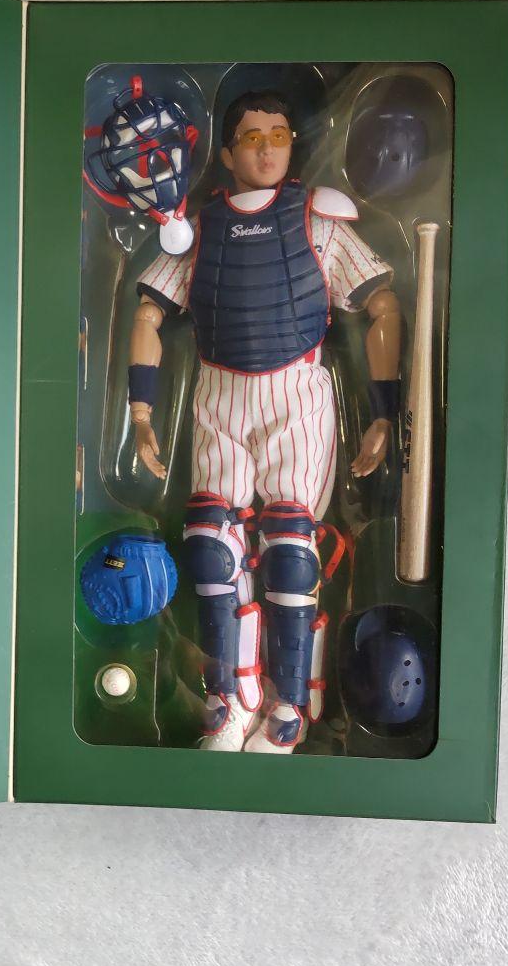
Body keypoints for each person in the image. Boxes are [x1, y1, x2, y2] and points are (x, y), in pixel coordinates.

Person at [127, 89, 401, 753]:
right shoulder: (199, 231)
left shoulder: (318, 222)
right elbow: (148, 313)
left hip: (295, 394)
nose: (268, 148)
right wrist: (140, 409)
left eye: (279, 135)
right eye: (252, 137)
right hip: (219, 392)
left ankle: (290, 704)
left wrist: (385, 413)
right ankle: (227, 699)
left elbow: (382, 306)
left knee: (290, 551)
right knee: (210, 548)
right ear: (227, 153)